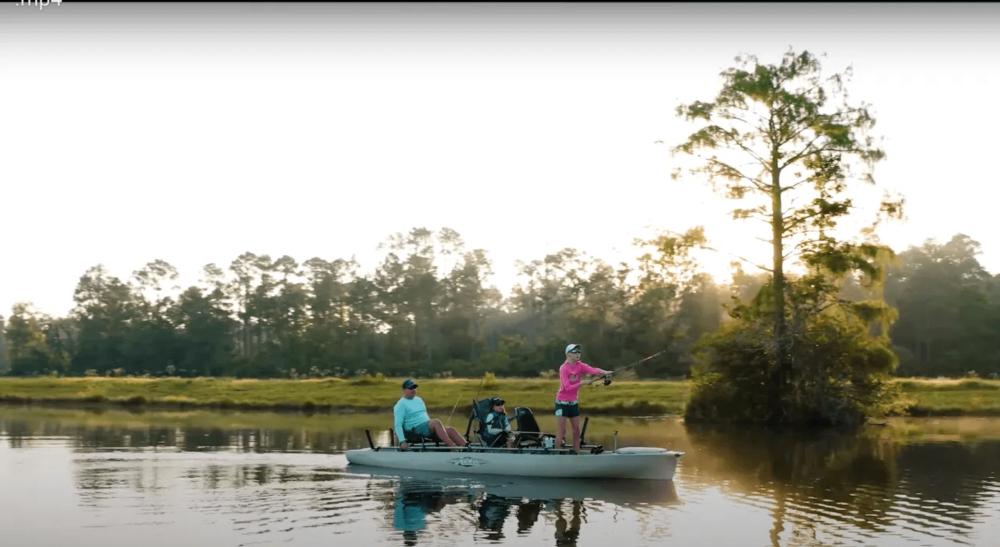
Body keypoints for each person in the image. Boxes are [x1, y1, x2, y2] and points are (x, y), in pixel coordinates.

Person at [553, 344, 610, 452]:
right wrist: (582, 382)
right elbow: (567, 387)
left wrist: (605, 372)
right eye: (575, 352)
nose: (578, 354)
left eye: (579, 352)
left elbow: (593, 370)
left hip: (573, 403)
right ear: (568, 354)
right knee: (561, 431)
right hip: (561, 403)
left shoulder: (580, 365)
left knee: (576, 431)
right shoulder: (563, 368)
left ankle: (576, 453)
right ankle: (556, 454)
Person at [394, 378, 468, 449]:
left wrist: (435, 428)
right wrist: (402, 441)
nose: (413, 390)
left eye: (414, 388)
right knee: (436, 422)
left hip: (427, 428)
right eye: (410, 388)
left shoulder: (419, 400)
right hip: (415, 431)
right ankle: (452, 447)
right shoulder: (400, 405)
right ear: (404, 390)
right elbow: (398, 425)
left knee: (451, 430)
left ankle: (468, 448)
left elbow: (424, 417)